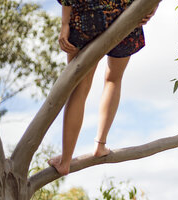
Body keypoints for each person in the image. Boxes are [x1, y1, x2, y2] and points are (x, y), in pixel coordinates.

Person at [49, 0, 157, 175]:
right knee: (113, 79)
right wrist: (151, 6)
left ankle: (65, 161)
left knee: (80, 86)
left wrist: (64, 24)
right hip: (125, 15)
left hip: (87, 17)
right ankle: (100, 145)